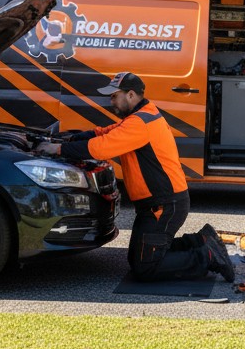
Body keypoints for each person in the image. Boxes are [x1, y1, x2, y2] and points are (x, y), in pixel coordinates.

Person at [38, 70, 233, 283]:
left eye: (114, 95)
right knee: (138, 257)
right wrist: (70, 137)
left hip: (163, 205)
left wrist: (58, 149)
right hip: (159, 203)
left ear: (130, 95)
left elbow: (102, 147)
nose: (110, 100)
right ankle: (201, 241)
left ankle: (207, 255)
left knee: (146, 267)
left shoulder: (140, 123)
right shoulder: (140, 117)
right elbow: (103, 133)